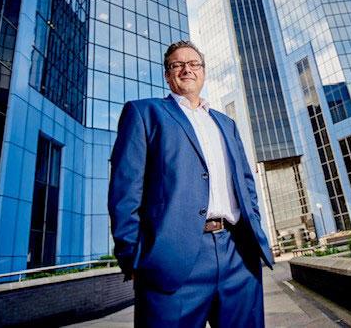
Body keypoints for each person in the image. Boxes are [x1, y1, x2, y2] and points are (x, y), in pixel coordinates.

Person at [108, 41, 273, 327]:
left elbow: (246, 185)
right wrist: (131, 254)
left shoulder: (226, 123)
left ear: (203, 72)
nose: (187, 69)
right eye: (177, 64)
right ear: (167, 74)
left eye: (193, 63)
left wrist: (255, 228)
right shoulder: (144, 113)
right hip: (172, 260)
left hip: (238, 254)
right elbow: (125, 191)